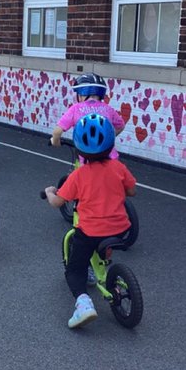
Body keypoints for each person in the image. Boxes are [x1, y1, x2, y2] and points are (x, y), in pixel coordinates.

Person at [42, 112, 137, 329]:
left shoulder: (79, 175)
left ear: (79, 148)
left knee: (74, 270)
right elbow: (131, 191)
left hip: (90, 232)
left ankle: (83, 305)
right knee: (100, 241)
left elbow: (58, 202)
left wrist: (49, 192)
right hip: (121, 229)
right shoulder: (119, 168)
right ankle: (103, 273)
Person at [50, 72, 124, 160]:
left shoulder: (76, 109)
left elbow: (57, 132)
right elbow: (121, 126)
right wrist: (104, 138)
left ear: (81, 94)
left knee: (78, 173)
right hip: (111, 159)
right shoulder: (108, 109)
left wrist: (55, 142)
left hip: (87, 161)